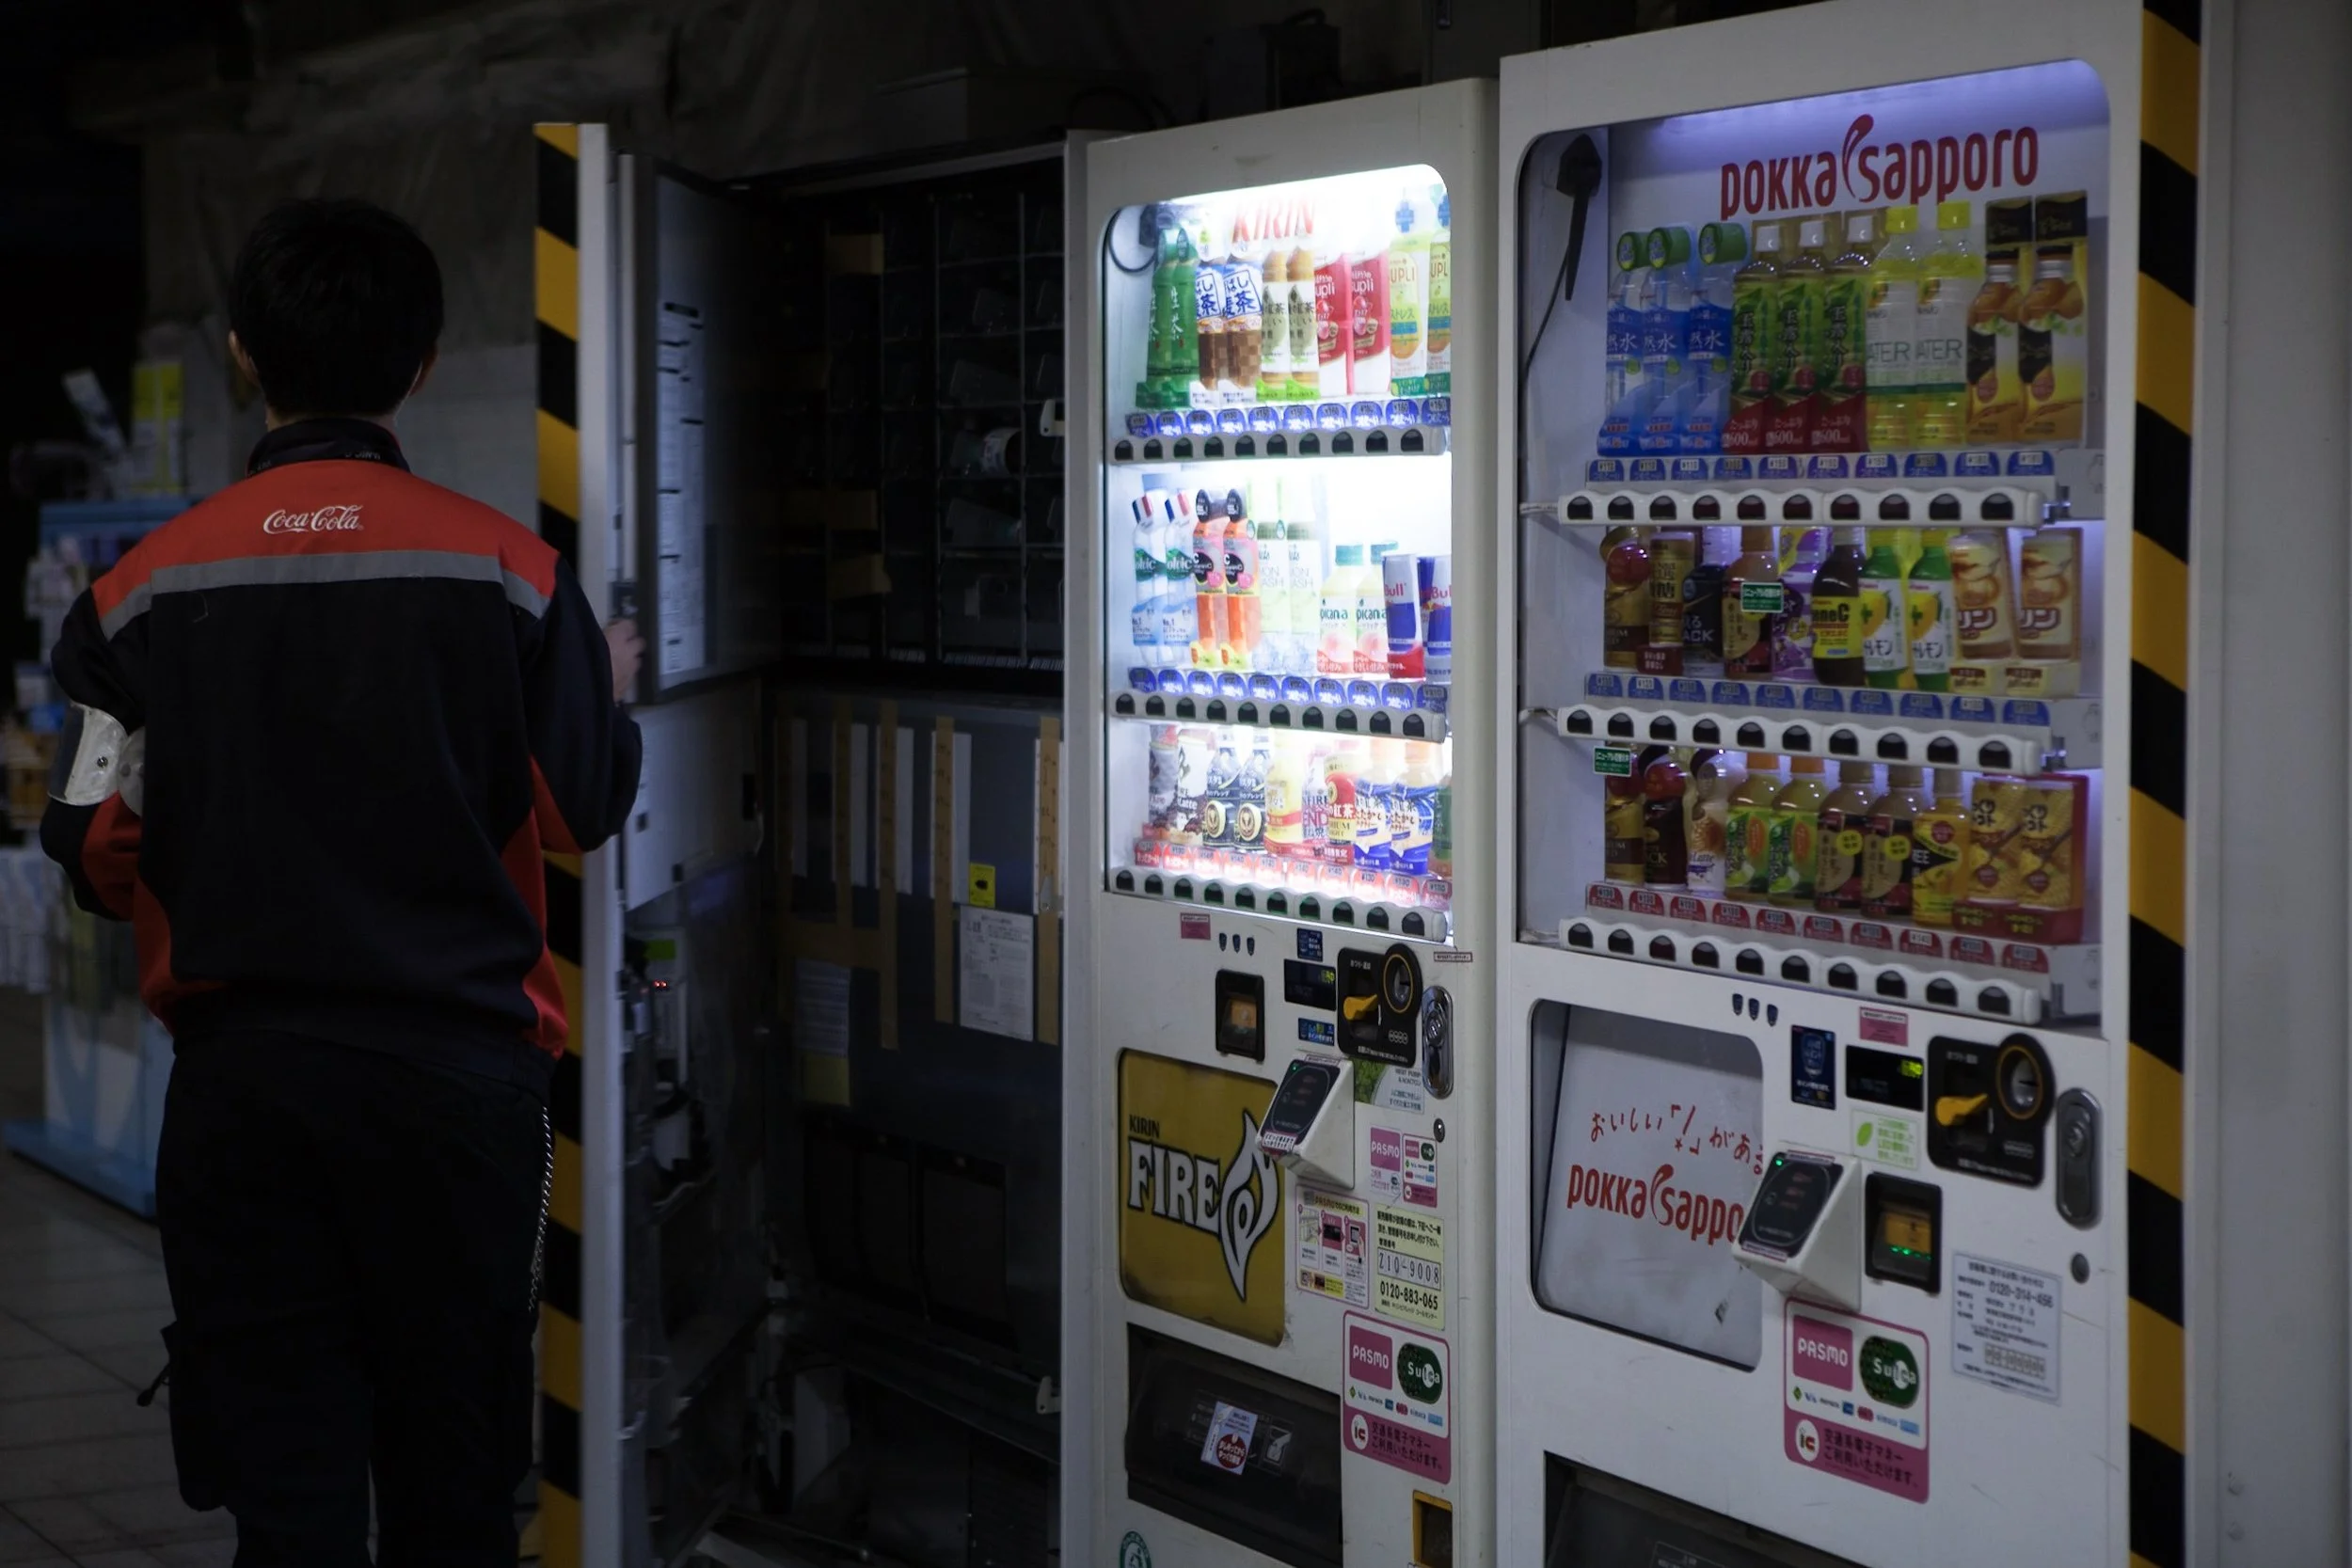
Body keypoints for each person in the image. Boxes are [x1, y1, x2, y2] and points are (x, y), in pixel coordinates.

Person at [39, 198, 643, 1564]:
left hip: (246, 1095)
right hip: (458, 1100)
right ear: (419, 365)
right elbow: (579, 809)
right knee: (453, 1487)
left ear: (244, 353)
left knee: (288, 1496)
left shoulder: (131, 595)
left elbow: (88, 851)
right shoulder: (514, 575)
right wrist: (604, 693)